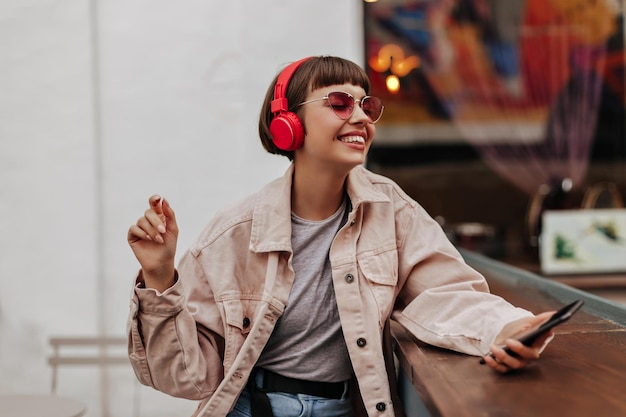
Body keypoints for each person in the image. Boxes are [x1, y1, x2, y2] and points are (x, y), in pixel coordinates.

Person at [126, 55, 555, 417]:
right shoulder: (235, 233)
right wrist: (161, 275)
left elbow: (445, 291)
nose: (362, 117)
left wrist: (506, 326)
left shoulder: (391, 210)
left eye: (366, 104)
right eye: (339, 102)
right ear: (288, 124)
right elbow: (185, 376)